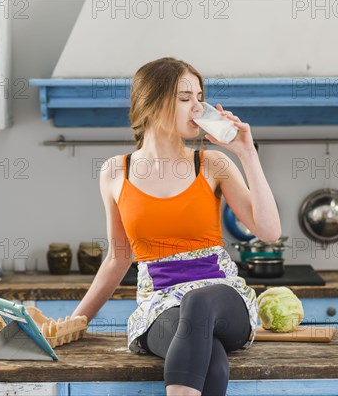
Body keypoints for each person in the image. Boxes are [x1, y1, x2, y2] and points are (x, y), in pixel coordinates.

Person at [72, 57, 281, 396]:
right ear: (151, 104)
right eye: (185, 98)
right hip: (159, 304)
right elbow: (118, 258)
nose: (198, 107)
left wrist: (247, 154)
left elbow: (269, 231)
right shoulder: (114, 172)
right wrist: (77, 321)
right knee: (211, 362)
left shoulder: (212, 163)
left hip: (223, 298)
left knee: (198, 302)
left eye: (200, 97)